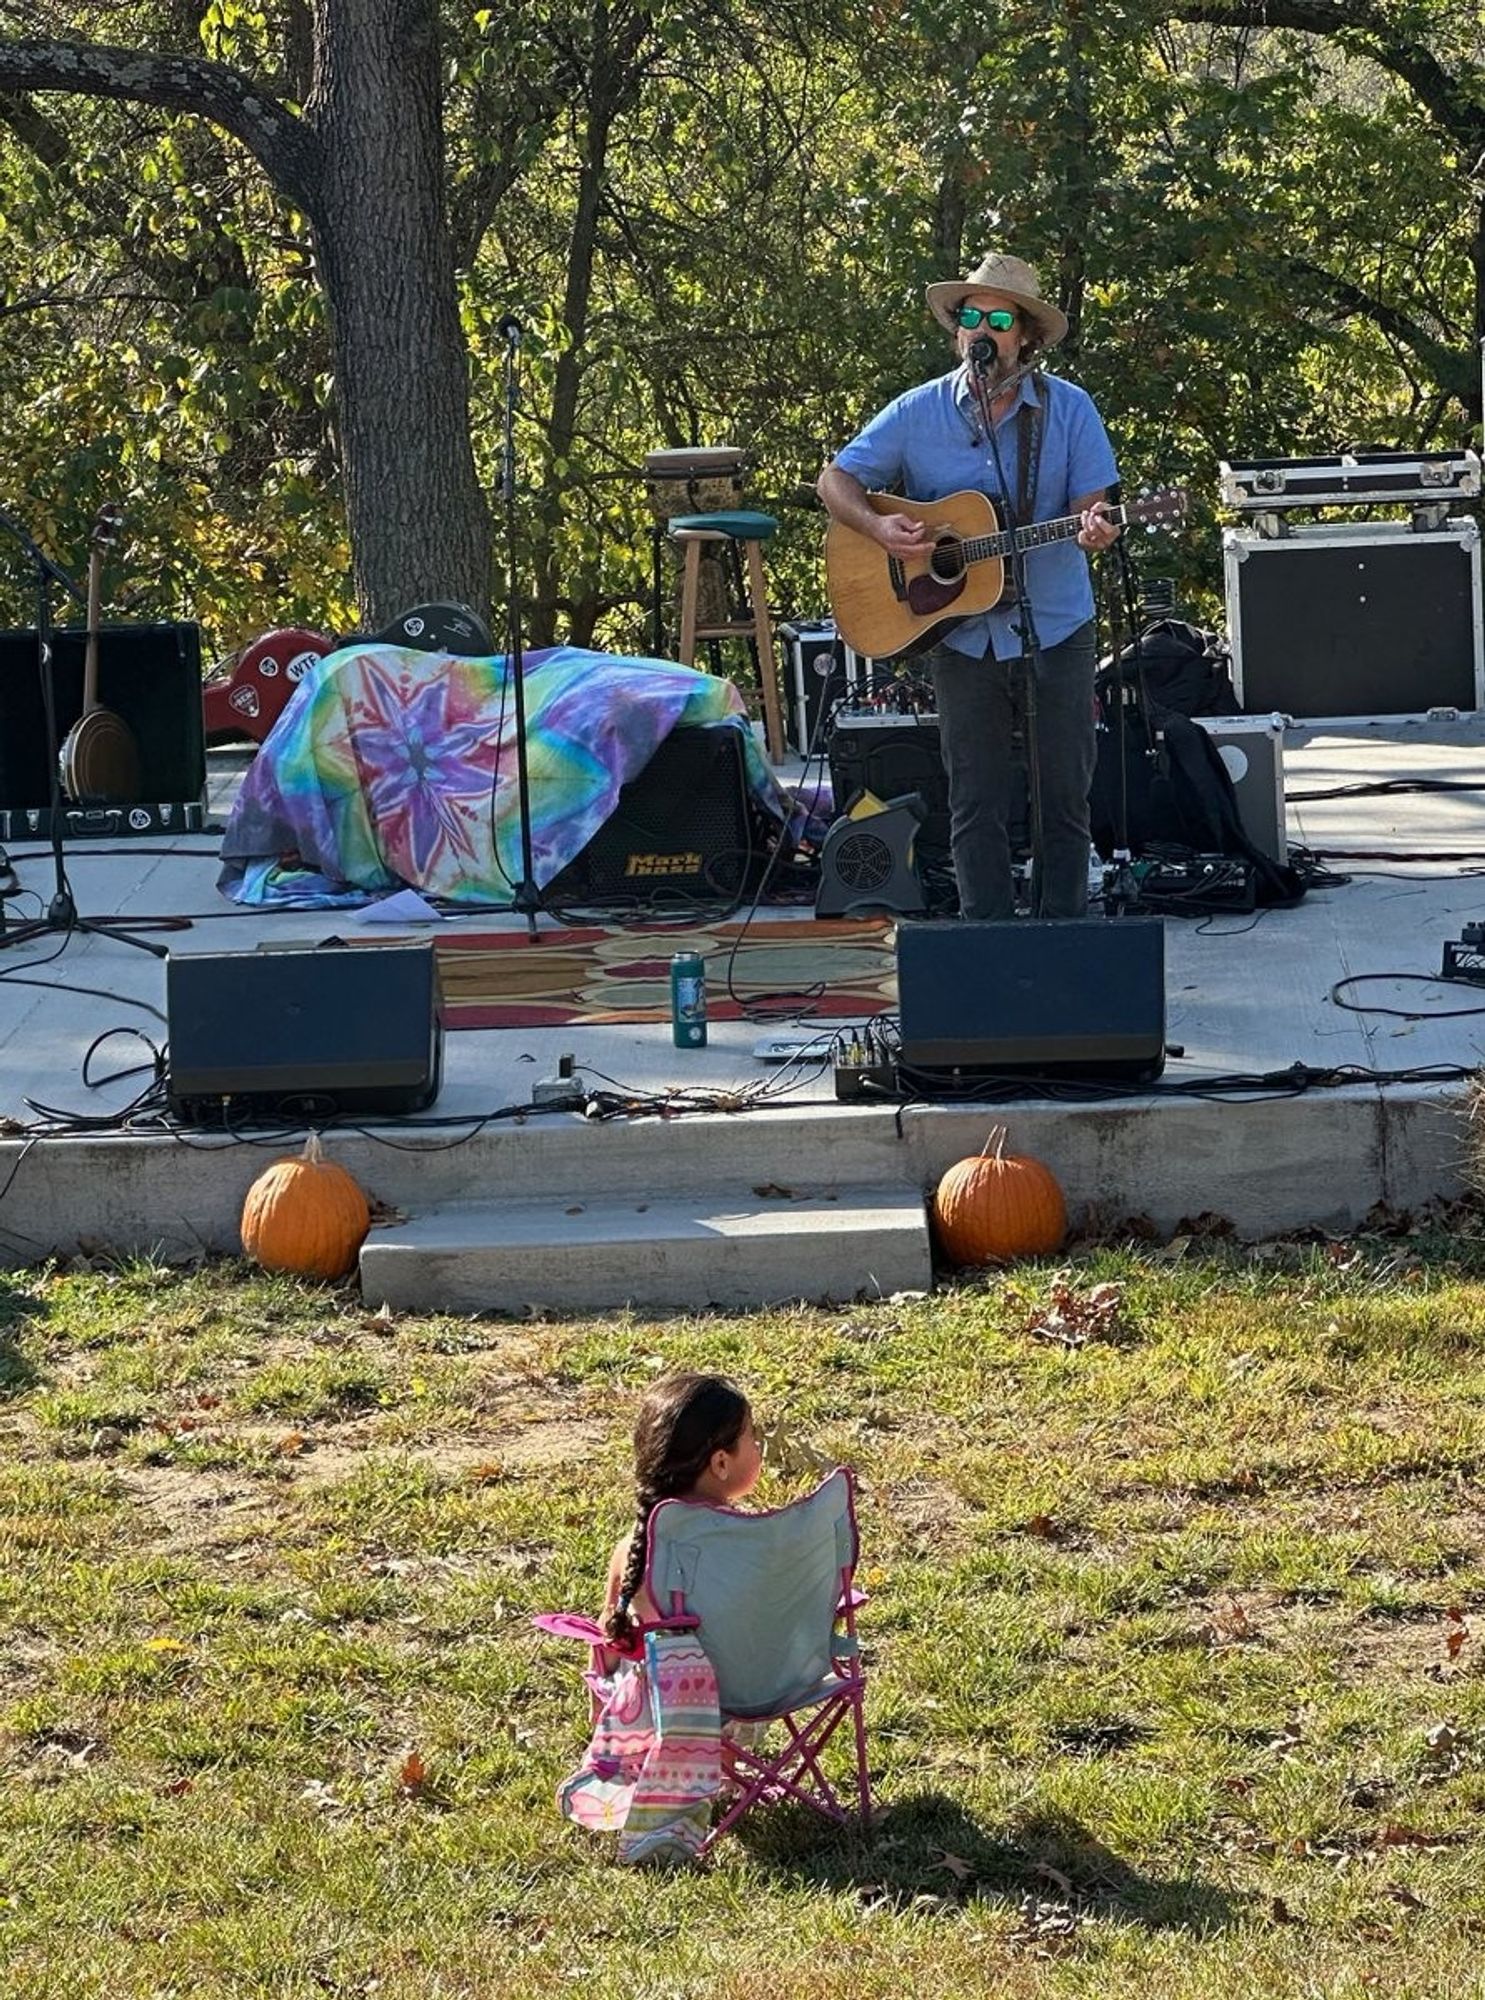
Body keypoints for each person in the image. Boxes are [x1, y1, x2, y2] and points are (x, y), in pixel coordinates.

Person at [818, 250, 1120, 921]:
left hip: (1055, 624)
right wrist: (878, 527)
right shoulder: (915, 411)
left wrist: (1097, 528)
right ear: (957, 332)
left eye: (998, 317)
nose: (980, 328)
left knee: (1064, 795)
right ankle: (984, 942)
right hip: (959, 634)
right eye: (970, 317)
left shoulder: (1068, 411)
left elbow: (1090, 510)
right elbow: (833, 481)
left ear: (1025, 336)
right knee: (973, 798)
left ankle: (1063, 933)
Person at [555, 1372, 763, 1864]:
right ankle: (729, 1771)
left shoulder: (634, 1550)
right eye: (753, 1438)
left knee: (655, 1664)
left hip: (661, 1715)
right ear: (720, 1462)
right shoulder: (756, 1542)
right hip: (757, 1690)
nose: (759, 1447)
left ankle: (665, 1785)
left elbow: (609, 1643)